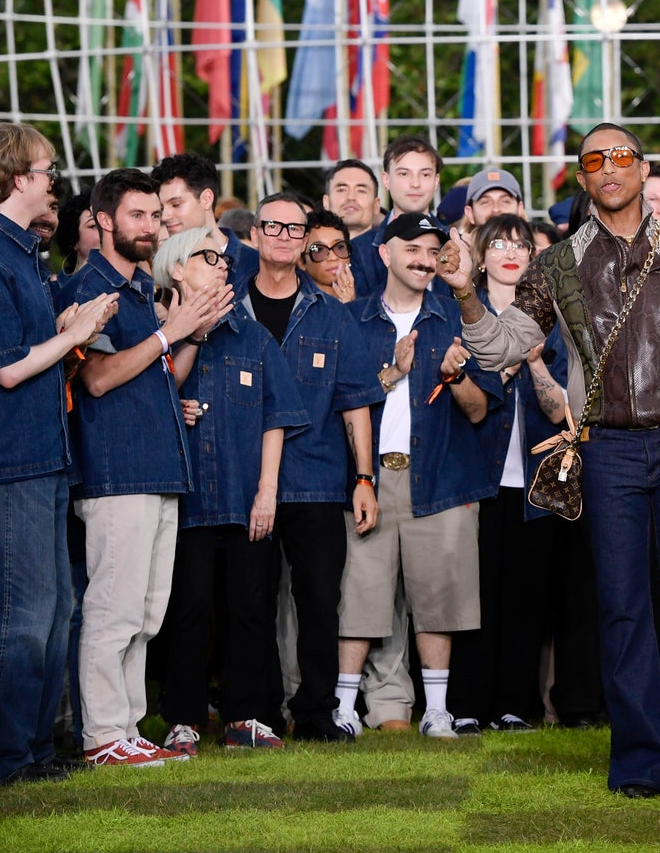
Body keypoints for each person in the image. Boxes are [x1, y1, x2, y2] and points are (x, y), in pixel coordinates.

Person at [440, 121, 660, 800]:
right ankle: (639, 760)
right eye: (594, 158)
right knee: (622, 605)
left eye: (620, 156)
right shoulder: (558, 263)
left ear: (642, 166)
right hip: (606, 447)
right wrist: (464, 291)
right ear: (582, 176)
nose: (609, 167)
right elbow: (501, 348)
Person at [0, 123, 116, 785]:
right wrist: (80, 334)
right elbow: (5, 370)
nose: (54, 184)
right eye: (46, 172)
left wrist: (65, 328)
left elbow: (22, 355)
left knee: (49, 610)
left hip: (37, 456)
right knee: (14, 615)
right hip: (3, 461)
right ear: (16, 178)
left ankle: (32, 750)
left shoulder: (14, 253)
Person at [59, 169, 231, 767]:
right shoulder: (87, 288)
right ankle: (102, 736)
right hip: (114, 472)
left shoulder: (139, 291)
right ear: (103, 220)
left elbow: (162, 376)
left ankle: (127, 728)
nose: (151, 227)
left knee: (145, 614)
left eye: (156, 216)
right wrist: (171, 332)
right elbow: (99, 379)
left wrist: (192, 335)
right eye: (137, 215)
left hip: (158, 467)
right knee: (112, 609)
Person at [337, 213, 500, 740]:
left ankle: (436, 710)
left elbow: (479, 410)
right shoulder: (353, 318)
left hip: (443, 477)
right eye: (412, 248)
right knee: (360, 594)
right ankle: (343, 709)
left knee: (438, 598)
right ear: (384, 253)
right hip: (368, 480)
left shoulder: (461, 317)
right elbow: (341, 399)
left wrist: (454, 378)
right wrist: (393, 374)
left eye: (432, 250)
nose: (424, 258)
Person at [152, 228, 308, 754]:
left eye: (224, 259)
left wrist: (267, 492)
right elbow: (153, 395)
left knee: (250, 608)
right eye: (209, 257)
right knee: (190, 609)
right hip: (186, 495)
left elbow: (276, 418)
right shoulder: (157, 329)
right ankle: (184, 721)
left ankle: (245, 718)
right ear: (177, 267)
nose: (223, 266)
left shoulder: (254, 335)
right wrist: (177, 406)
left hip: (246, 497)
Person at [244, 192, 383, 742]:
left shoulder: (332, 315)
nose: (281, 235)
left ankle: (316, 713)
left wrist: (365, 478)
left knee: (320, 603)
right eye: (270, 225)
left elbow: (356, 400)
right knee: (251, 602)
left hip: (320, 479)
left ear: (305, 244)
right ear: (254, 235)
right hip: (243, 481)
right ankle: (256, 710)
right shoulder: (231, 307)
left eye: (292, 228)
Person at [448, 214, 574, 734]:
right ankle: (466, 705)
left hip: (538, 481)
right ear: (480, 256)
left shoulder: (555, 319)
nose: (509, 251)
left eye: (520, 244)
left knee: (527, 596)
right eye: (497, 243)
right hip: (474, 474)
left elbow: (563, 408)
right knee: (475, 596)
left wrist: (536, 363)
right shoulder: (459, 316)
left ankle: (515, 705)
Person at [350, 136, 443, 300]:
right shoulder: (360, 250)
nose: (415, 183)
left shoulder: (455, 243)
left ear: (436, 181)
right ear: (386, 180)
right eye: (404, 174)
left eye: (425, 175)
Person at [151, 153, 259, 288]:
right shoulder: (160, 272)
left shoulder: (257, 267)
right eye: (161, 208)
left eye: (176, 204)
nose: (165, 216)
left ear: (206, 199)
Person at [301, 209, 356, 304]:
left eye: (340, 247)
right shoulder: (295, 306)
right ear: (301, 261)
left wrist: (351, 305)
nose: (333, 257)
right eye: (319, 250)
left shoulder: (370, 299)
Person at [322, 158, 381, 240]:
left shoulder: (392, 250)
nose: (351, 197)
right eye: (342, 190)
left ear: (376, 206)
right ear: (326, 202)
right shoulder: (310, 249)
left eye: (361, 191)